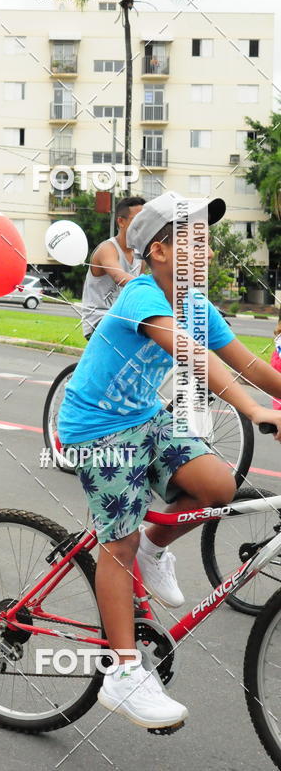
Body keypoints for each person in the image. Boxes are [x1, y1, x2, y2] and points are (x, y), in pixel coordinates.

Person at [57, 191, 281, 730]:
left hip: (146, 416)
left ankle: (154, 552)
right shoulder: (139, 297)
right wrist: (252, 408)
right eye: (195, 240)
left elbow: (249, 361)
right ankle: (124, 673)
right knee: (118, 541)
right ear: (159, 251)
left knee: (218, 487)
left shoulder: (198, 306)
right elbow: (191, 354)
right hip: (98, 429)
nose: (206, 250)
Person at [81, 196, 146, 340]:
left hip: (124, 318)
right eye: (137, 220)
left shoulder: (140, 254)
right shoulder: (108, 249)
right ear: (121, 221)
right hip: (100, 320)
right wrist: (150, 288)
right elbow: (119, 277)